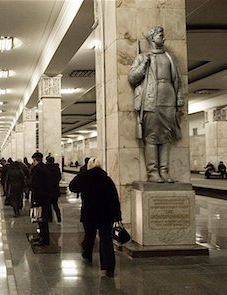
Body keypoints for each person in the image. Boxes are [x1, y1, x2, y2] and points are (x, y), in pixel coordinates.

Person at [128, 26, 184, 183]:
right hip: (151, 100)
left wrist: (179, 98)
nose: (163, 38)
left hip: (168, 98)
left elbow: (177, 79)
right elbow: (132, 78)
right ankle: (152, 172)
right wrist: (143, 65)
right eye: (160, 35)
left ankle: (164, 171)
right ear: (152, 38)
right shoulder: (142, 57)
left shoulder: (169, 57)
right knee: (151, 138)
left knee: (166, 137)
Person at [69, 157, 122, 278]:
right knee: (106, 239)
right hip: (105, 214)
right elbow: (114, 199)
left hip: (89, 212)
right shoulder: (107, 179)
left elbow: (72, 187)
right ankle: (109, 267)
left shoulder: (85, 177)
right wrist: (117, 216)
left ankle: (87, 254)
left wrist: (82, 176)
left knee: (89, 235)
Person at [30, 152, 51, 246]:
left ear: (35, 160)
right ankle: (42, 237)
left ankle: (44, 239)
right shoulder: (45, 168)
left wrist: (35, 200)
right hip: (45, 198)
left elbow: (35, 185)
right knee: (42, 219)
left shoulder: (37, 170)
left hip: (40, 198)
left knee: (41, 219)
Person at [46, 156, 62, 223]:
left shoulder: (46, 168)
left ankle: (50, 219)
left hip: (47, 190)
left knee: (48, 205)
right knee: (55, 204)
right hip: (55, 189)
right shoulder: (57, 168)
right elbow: (59, 177)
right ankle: (58, 216)